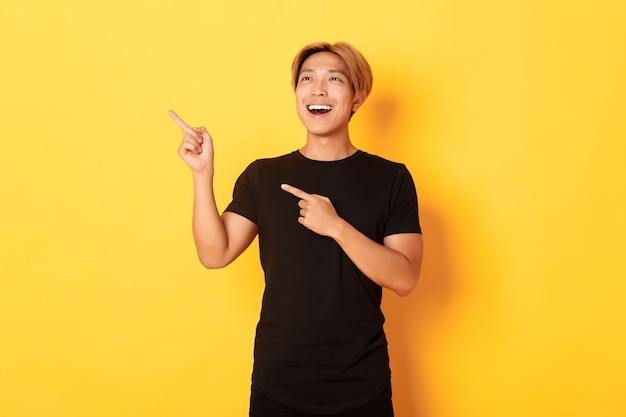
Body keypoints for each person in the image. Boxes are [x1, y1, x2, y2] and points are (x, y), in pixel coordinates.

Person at [169, 41, 423, 417]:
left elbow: (405, 278)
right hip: (279, 383)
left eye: (334, 79)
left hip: (361, 384)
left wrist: (337, 227)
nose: (318, 89)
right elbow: (214, 253)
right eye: (307, 79)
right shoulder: (263, 175)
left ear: (357, 98)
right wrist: (202, 174)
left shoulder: (391, 178)